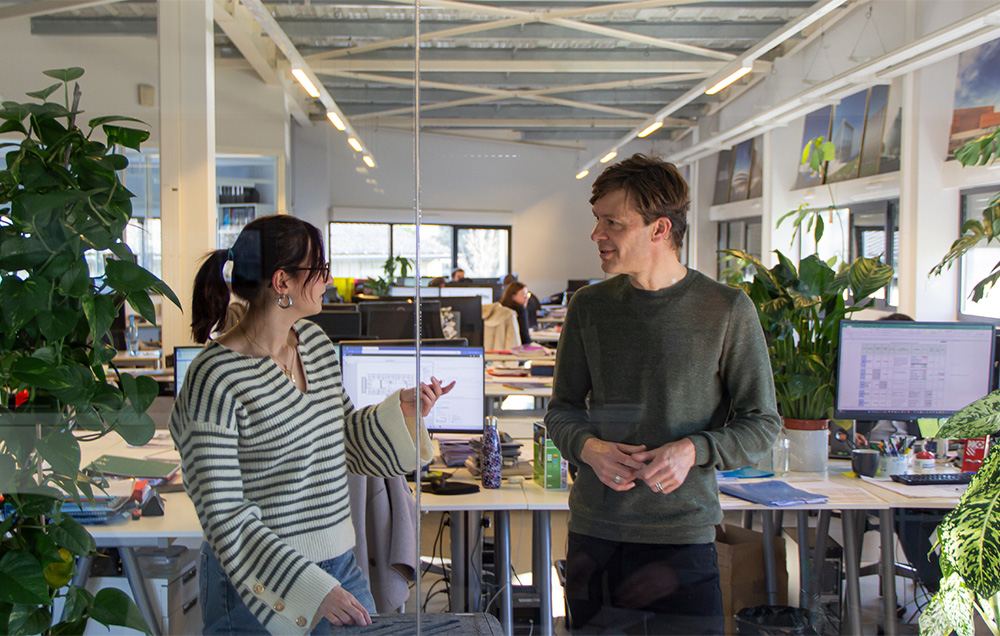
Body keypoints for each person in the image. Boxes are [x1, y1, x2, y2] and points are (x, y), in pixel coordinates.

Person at [171, 215, 454, 636]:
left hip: (341, 560)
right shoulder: (214, 378)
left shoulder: (315, 346)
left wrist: (403, 413)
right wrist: (310, 588)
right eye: (319, 269)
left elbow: (344, 442)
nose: (329, 278)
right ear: (281, 282)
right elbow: (224, 515)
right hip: (257, 580)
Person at [543, 154, 780, 634]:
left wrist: (694, 449)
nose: (597, 235)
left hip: (682, 537)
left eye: (613, 223)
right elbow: (562, 411)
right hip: (596, 533)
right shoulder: (590, 307)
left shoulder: (726, 309)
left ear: (659, 230)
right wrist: (590, 449)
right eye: (597, 221)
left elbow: (762, 422)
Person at [500, 280, 532, 345]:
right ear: (513, 296)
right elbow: (525, 338)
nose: (526, 298)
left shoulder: (500, 308)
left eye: (527, 295)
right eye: (523, 295)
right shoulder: (520, 310)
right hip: (518, 348)